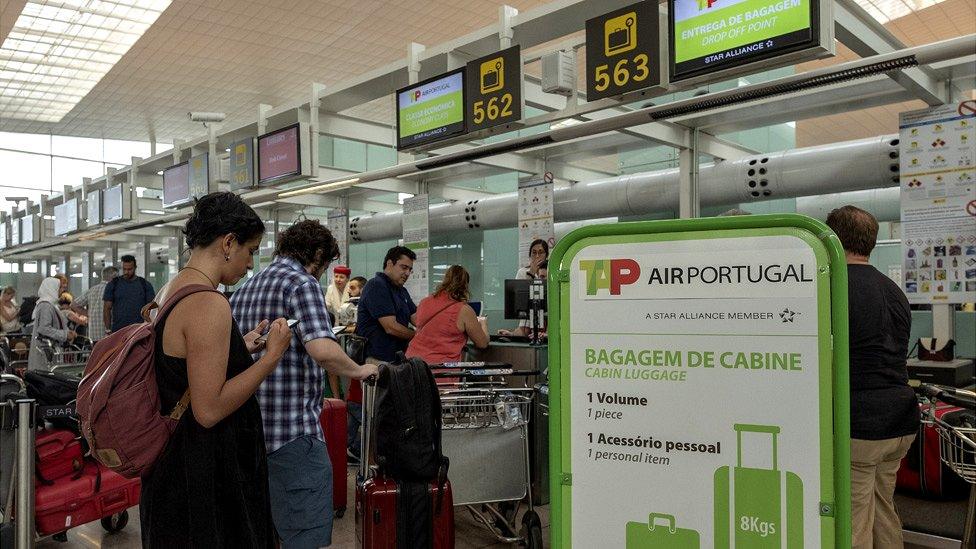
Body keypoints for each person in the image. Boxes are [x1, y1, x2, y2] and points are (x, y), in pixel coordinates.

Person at [140, 192, 291, 548]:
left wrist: (242, 346)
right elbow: (208, 411)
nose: (251, 263)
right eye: (250, 250)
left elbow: (182, 364)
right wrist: (271, 357)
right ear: (228, 243)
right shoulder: (208, 302)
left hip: (170, 471)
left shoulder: (171, 289)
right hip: (203, 479)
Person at [230, 219, 378, 549]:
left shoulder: (242, 292)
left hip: (250, 439)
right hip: (294, 438)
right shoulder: (302, 283)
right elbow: (322, 349)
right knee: (303, 539)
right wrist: (360, 370)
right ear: (318, 255)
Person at [825, 205, 919, 549]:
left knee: (853, 520)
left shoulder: (834, 288)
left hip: (860, 424)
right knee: (883, 509)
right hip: (900, 421)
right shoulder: (894, 290)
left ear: (831, 238)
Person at [406, 265, 488, 364]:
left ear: (445, 280)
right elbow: (482, 343)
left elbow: (417, 321)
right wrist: (483, 324)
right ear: (465, 285)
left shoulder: (424, 302)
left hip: (412, 365)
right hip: (439, 371)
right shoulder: (464, 310)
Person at [356, 246, 418, 363]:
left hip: (397, 357)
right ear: (390, 264)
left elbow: (416, 317)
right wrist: (418, 335)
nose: (407, 273)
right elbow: (390, 327)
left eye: (410, 270)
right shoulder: (376, 285)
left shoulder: (401, 291)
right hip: (378, 360)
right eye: (404, 267)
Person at [26, 277, 76, 371]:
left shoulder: (51, 304)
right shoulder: (46, 305)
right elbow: (44, 329)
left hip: (49, 351)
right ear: (51, 288)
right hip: (45, 352)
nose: (62, 291)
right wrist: (65, 334)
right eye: (59, 287)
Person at [103, 254, 155, 334]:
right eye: (124, 269)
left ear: (135, 268)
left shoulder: (144, 284)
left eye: (129, 269)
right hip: (118, 330)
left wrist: (150, 326)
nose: (126, 272)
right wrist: (108, 329)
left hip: (139, 330)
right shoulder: (113, 284)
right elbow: (107, 308)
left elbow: (151, 308)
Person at [499, 260, 548, 338]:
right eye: (541, 277)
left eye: (546, 277)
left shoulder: (562, 301)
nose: (544, 281)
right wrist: (511, 334)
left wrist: (547, 336)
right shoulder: (535, 301)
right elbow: (524, 331)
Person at [71, 266, 117, 342]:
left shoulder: (92, 290)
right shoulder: (114, 290)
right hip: (109, 334)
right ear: (114, 277)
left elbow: (74, 305)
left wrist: (89, 313)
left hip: (93, 335)